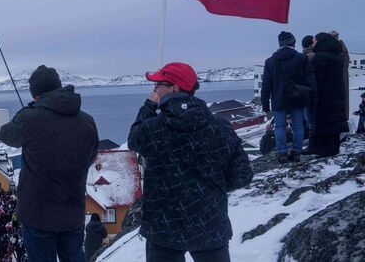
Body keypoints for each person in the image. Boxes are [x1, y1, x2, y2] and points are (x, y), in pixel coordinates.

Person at [128, 62, 253, 262]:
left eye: (158, 85)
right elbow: (242, 175)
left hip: (163, 224)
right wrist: (212, 190)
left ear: (174, 88)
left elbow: (134, 140)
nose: (154, 89)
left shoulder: (153, 128)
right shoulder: (220, 127)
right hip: (210, 221)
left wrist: (149, 105)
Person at [0, 65, 99, 261]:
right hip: (73, 211)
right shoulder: (87, 121)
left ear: (35, 94)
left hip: (38, 215)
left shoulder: (30, 118)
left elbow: (6, 134)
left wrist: (28, 110)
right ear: (59, 87)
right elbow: (92, 155)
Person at [261, 31, 315, 163]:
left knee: (279, 126)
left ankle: (282, 153)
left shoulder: (270, 61)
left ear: (280, 44)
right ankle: (296, 152)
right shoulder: (302, 58)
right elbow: (310, 81)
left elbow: (266, 85)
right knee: (298, 126)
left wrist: (265, 105)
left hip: (278, 100)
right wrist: (312, 98)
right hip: (298, 98)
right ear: (293, 43)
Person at [309, 32, 349, 157]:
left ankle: (324, 151)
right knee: (334, 123)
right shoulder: (338, 55)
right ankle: (333, 149)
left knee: (324, 122)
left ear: (320, 41)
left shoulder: (320, 57)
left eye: (314, 41)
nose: (313, 44)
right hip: (336, 93)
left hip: (324, 95)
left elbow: (318, 78)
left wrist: (313, 94)